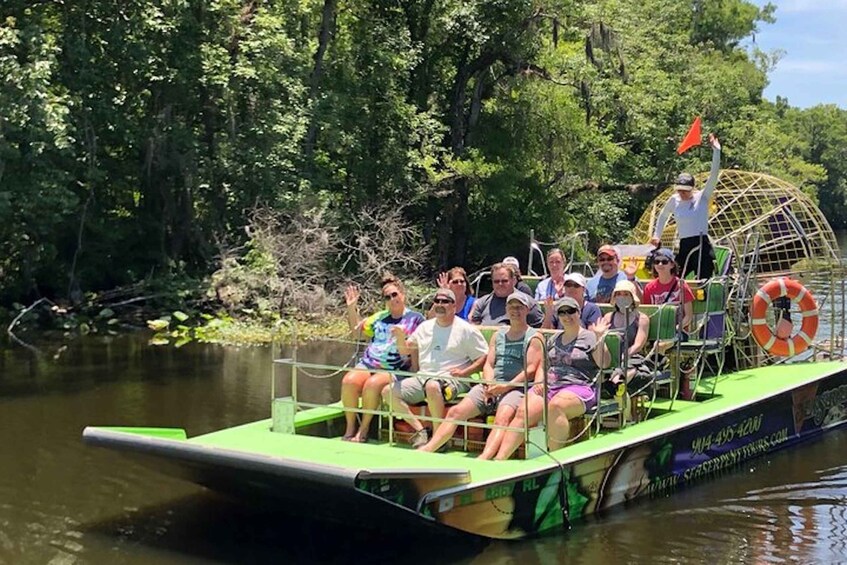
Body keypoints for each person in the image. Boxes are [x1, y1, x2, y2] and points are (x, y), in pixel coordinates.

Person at [418, 292, 543, 457]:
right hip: (491, 386)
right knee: (456, 412)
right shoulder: (498, 335)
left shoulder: (534, 337)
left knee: (502, 418)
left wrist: (504, 387)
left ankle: (485, 457)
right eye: (511, 307)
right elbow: (489, 364)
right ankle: (429, 449)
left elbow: (531, 370)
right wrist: (489, 384)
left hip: (516, 388)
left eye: (519, 307)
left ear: (527, 309)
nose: (515, 311)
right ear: (506, 309)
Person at [493, 296, 610, 459]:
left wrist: (599, 337)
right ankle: (500, 458)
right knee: (523, 411)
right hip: (551, 385)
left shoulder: (590, 336)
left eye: (571, 311)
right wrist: (540, 380)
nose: (567, 316)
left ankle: (554, 459)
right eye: (562, 312)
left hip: (580, 386)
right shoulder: (554, 339)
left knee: (556, 406)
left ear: (579, 312)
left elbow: (604, 364)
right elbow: (543, 365)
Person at [387, 288, 489, 447]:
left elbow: (484, 357)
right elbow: (405, 350)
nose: (440, 304)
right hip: (422, 378)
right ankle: (421, 431)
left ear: (454, 306)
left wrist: (465, 372)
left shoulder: (466, 329)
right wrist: (400, 337)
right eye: (437, 301)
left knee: (433, 386)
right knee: (388, 391)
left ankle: (438, 438)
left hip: (452, 380)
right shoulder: (425, 327)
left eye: (445, 301)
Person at [341, 276, 424, 442]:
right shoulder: (379, 318)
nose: (392, 299)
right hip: (369, 363)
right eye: (387, 297)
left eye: (394, 294)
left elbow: (418, 346)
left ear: (402, 294)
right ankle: (350, 427)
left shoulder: (416, 319)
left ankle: (363, 431)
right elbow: (357, 334)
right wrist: (352, 308)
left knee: (372, 385)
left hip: (396, 369)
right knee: (348, 380)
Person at [650, 134, 722, 279]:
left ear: (692, 188)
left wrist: (716, 151)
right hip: (684, 245)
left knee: (703, 280)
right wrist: (656, 235)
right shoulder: (674, 200)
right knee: (673, 276)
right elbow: (663, 215)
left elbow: (714, 175)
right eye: (679, 190)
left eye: (685, 190)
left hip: (701, 244)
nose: (682, 193)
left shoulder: (702, 197)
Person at [601, 280, 651, 394]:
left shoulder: (642, 318)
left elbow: (638, 345)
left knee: (629, 367)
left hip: (633, 357)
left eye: (625, 294)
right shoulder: (608, 317)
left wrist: (625, 355)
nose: (621, 297)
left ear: (632, 297)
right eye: (618, 294)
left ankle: (615, 386)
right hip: (610, 356)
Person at [470, 263, 544, 327]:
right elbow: (474, 327)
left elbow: (540, 328)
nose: (500, 284)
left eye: (504, 281)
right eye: (496, 281)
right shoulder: (482, 302)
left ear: (514, 281)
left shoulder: (528, 302)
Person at [641, 248, 694, 336]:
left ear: (672, 264)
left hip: (678, 331)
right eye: (657, 262)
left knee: (662, 344)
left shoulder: (681, 285)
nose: (660, 264)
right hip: (656, 330)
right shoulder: (649, 287)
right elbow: (648, 313)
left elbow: (688, 316)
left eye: (664, 262)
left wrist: (676, 328)